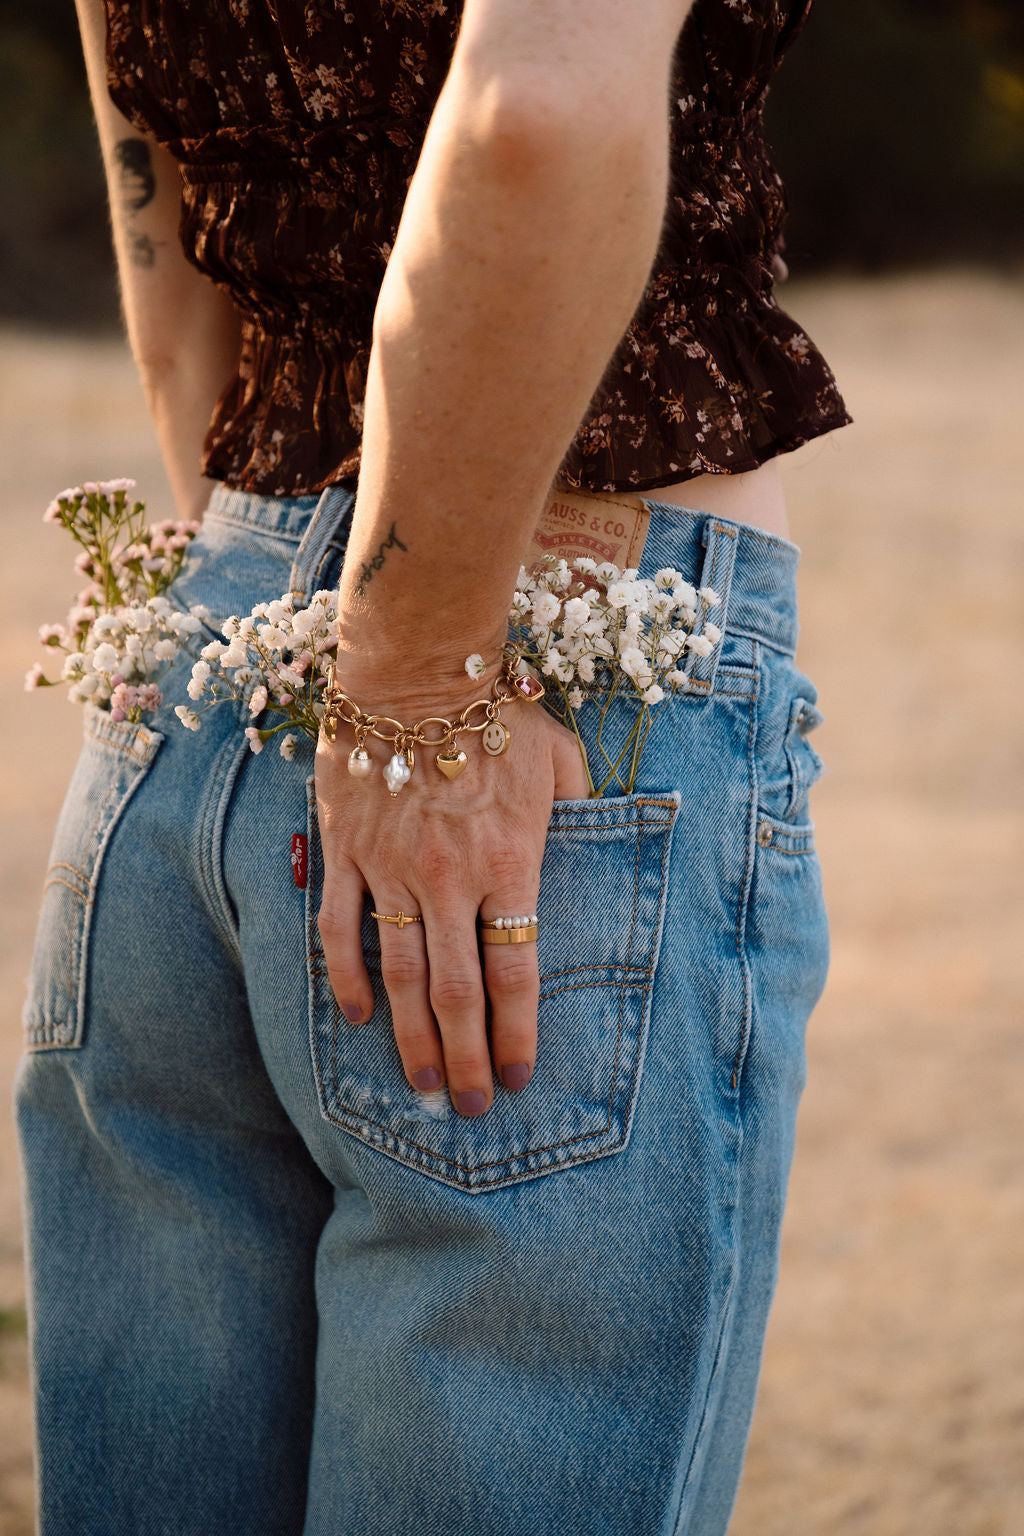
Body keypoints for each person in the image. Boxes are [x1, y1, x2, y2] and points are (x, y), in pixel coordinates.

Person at [15, 0, 849, 1531]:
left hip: (211, 638)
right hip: (523, 682)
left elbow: (147, 142)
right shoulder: (436, 700)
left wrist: (264, 611)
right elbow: (531, 109)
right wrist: (411, 686)